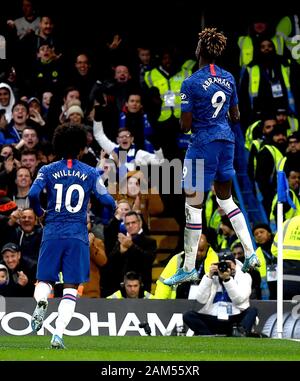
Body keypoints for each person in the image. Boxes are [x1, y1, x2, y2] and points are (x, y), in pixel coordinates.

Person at [164, 28, 259, 287]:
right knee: (225, 199)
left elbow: (185, 126)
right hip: (227, 142)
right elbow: (236, 116)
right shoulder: (228, 78)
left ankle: (188, 268)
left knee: (193, 206)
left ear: (199, 50)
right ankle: (251, 253)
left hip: (203, 144)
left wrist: (192, 115)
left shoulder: (191, 82)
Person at [28, 123, 115, 349]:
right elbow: (108, 201)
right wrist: (107, 213)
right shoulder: (90, 172)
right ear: (80, 147)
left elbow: (33, 194)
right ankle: (58, 335)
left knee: (45, 280)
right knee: (70, 288)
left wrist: (40, 214)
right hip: (77, 234)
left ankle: (40, 301)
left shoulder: (46, 170)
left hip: (52, 231)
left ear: (58, 144)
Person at [183, 250, 258, 337]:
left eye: (229, 264)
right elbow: (200, 299)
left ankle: (240, 333)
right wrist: (208, 277)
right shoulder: (213, 276)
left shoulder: (244, 276)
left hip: (234, 318)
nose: (226, 267)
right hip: (214, 317)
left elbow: (239, 300)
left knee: (252, 311)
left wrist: (227, 280)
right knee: (188, 315)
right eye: (223, 264)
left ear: (235, 264)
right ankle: (208, 335)